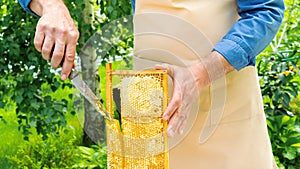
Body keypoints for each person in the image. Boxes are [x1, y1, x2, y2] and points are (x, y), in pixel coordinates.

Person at [19, 0, 284, 168]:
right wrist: (51, 6)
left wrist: (200, 74)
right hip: (149, 105)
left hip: (226, 104)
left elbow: (266, 10)